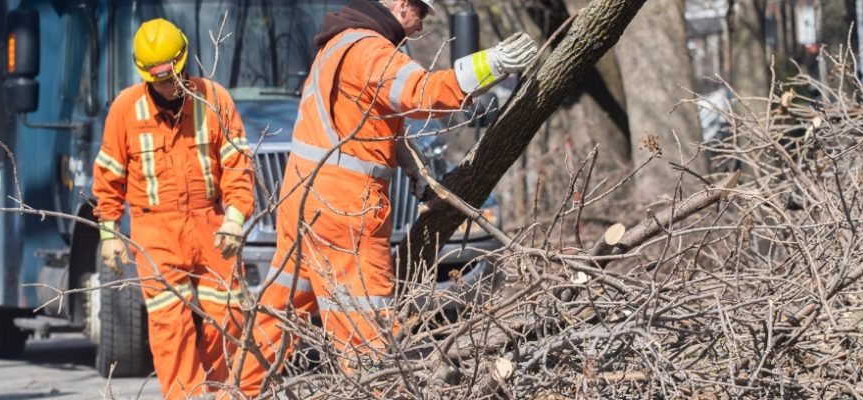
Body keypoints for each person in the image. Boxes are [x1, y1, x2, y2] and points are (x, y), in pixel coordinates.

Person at [226, 0, 537, 397]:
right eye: (421, 13)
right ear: (400, 4)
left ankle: (234, 392)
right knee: (367, 334)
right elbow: (424, 94)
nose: (422, 26)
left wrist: (412, 167)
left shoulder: (338, 44)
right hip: (346, 211)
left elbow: (366, 120)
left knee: (277, 317)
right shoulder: (370, 49)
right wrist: (492, 62)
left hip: (304, 203)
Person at [92, 18, 254, 399]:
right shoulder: (125, 110)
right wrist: (109, 232)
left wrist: (235, 217)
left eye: (175, 76)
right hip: (155, 232)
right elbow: (110, 175)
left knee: (227, 317)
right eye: (161, 80)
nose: (171, 86)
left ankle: (226, 394)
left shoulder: (214, 99)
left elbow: (236, 166)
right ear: (146, 75)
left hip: (212, 225)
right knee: (171, 328)